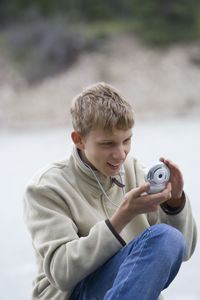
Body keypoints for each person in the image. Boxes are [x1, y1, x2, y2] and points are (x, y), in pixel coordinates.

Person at [24, 82, 197, 300]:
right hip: (73, 294)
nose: (120, 154)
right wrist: (121, 218)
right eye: (107, 144)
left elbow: (183, 251)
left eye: (126, 141)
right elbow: (62, 274)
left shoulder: (135, 171)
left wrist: (175, 203)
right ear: (79, 140)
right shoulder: (46, 187)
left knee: (168, 237)